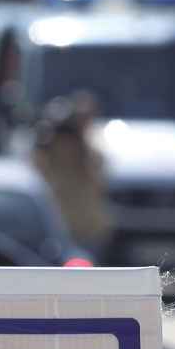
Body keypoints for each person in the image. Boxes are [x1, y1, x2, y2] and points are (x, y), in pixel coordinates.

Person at [30, 93, 110, 259]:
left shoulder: (88, 156)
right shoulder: (48, 157)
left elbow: (99, 176)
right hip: (61, 230)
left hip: (87, 230)